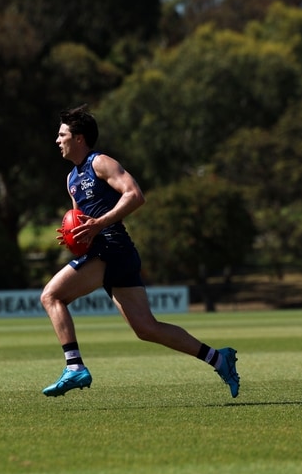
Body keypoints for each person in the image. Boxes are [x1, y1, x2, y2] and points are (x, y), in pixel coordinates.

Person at [39, 104, 240, 398]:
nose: (57, 140)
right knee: (146, 328)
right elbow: (81, 222)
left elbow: (135, 195)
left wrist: (99, 224)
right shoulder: (71, 179)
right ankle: (219, 359)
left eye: (62, 135)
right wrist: (74, 237)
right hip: (109, 250)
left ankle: (74, 366)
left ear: (79, 138)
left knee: (51, 296)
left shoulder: (100, 163)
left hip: (112, 246)